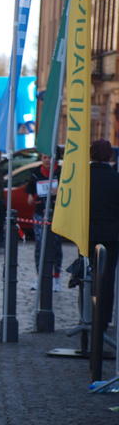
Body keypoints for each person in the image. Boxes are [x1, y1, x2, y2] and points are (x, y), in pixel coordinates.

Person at [88, 140, 119, 331]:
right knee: (107, 278)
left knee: (87, 275)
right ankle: (104, 318)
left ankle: (88, 315)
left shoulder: (83, 178)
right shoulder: (116, 178)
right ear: (109, 156)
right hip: (111, 235)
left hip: (87, 234)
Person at [26, 153, 62, 290]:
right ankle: (39, 276)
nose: (47, 160)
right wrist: (31, 197)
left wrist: (59, 191)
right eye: (44, 158)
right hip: (40, 214)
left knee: (56, 245)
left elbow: (70, 192)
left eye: (50, 157)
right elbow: (30, 193)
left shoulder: (61, 173)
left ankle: (56, 278)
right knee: (40, 245)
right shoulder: (36, 173)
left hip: (57, 214)